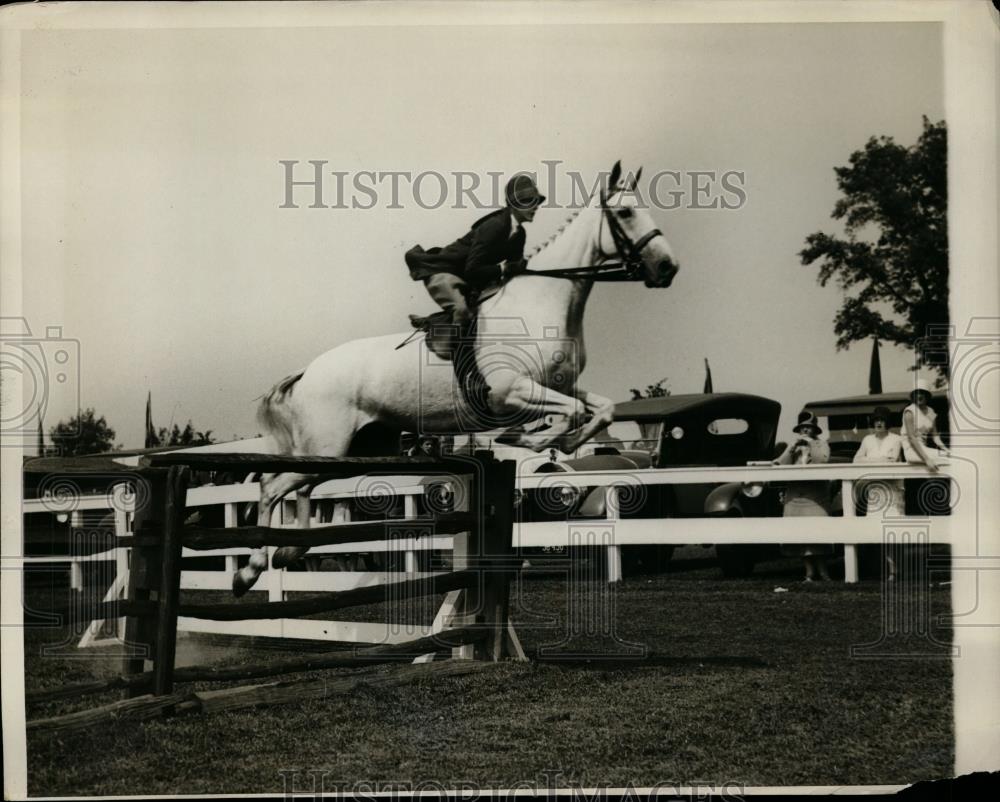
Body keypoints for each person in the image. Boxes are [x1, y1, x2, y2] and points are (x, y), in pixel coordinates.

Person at [405, 174, 545, 327]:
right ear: (515, 204)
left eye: (537, 202)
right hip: (443, 271)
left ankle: (432, 321)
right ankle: (456, 350)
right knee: (463, 312)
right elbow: (473, 270)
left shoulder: (520, 235)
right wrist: (504, 268)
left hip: (468, 278)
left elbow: (511, 271)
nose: (536, 206)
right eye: (530, 201)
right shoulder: (495, 225)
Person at [773, 410, 834, 582]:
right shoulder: (794, 445)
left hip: (816, 496)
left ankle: (823, 572)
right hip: (795, 495)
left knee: (818, 534)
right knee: (801, 535)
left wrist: (810, 445)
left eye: (809, 427)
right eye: (803, 428)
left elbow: (823, 460)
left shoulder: (821, 444)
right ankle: (809, 572)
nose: (805, 430)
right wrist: (792, 448)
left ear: (815, 430)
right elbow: (778, 463)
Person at [853, 405, 904, 580]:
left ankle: (894, 570)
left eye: (882, 420)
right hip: (875, 489)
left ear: (887, 422)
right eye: (876, 420)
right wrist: (877, 459)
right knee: (875, 531)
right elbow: (856, 460)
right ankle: (880, 569)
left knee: (893, 532)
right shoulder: (867, 440)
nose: (879, 423)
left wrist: (870, 461)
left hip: (892, 490)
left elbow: (893, 460)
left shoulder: (896, 439)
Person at [902, 378, 950, 471]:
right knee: (947, 459)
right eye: (917, 393)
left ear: (927, 396)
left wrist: (946, 450)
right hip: (911, 450)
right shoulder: (909, 411)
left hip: (924, 449)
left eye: (922, 393)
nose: (919, 396)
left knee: (949, 456)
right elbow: (912, 438)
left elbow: (935, 436)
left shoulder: (931, 412)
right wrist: (927, 459)